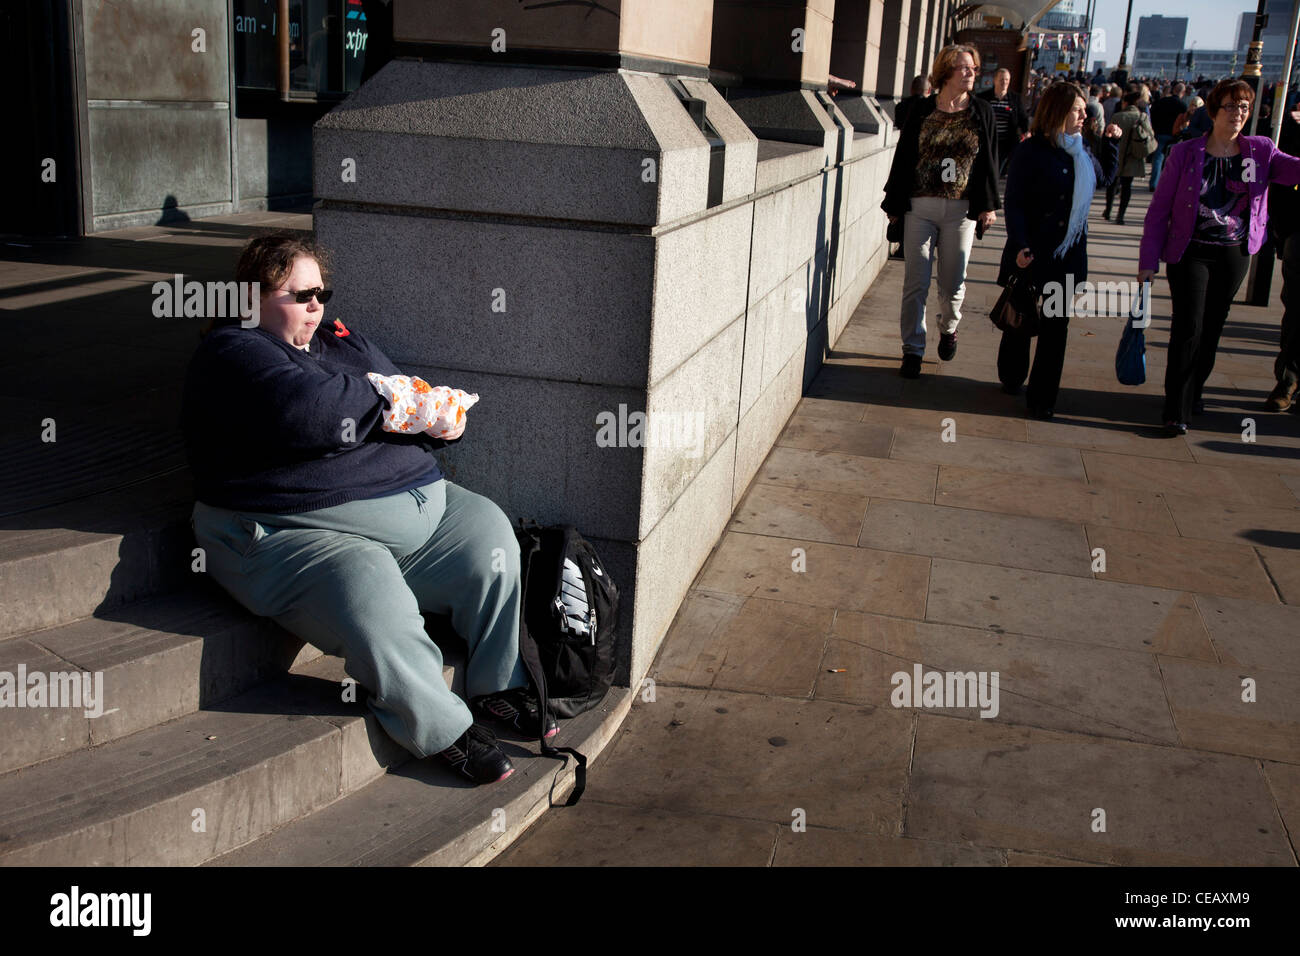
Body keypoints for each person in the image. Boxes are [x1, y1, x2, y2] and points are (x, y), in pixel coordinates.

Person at [182, 234, 555, 786]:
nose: (316, 306)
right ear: (248, 299)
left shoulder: (337, 340)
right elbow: (311, 412)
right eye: (298, 294)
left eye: (322, 293)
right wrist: (389, 406)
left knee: (488, 534)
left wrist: (426, 412)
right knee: (368, 590)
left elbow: (400, 389)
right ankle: (441, 727)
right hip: (297, 531)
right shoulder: (234, 352)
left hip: (418, 511)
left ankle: (499, 684)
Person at [1138, 79, 1300, 435]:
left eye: (1244, 107)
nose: (1238, 113)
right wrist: (1148, 261)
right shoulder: (1186, 153)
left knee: (1211, 330)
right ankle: (1176, 409)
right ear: (1214, 110)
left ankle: (1193, 391)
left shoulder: (1260, 151)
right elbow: (1158, 209)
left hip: (1234, 253)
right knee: (1188, 327)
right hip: (1190, 251)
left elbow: (1296, 170)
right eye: (1231, 106)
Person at [996, 82, 1122, 419]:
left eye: (1084, 110)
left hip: (1067, 258)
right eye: (1077, 110)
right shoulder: (1031, 150)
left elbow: (1106, 178)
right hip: (1032, 253)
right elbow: (1015, 203)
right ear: (1057, 111)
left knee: (1055, 328)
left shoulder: (1083, 151)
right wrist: (1021, 244)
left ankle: (1042, 399)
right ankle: (1011, 375)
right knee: (1021, 319)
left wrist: (1111, 144)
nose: (1085, 116)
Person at [882, 44, 1001, 378]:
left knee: (952, 283)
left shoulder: (981, 111)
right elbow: (904, 157)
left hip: (961, 210)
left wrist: (988, 205)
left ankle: (948, 328)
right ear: (947, 70)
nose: (971, 74)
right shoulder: (921, 110)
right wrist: (895, 205)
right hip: (920, 206)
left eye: (974, 69)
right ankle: (913, 350)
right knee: (915, 281)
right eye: (965, 68)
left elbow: (989, 160)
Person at [1266, 101, 1300, 411]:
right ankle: (1288, 379)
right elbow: (1279, 177)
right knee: (1296, 313)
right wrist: (1283, 231)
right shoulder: (1294, 126)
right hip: (1299, 233)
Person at [1104, 90, 1155, 225]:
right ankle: (1120, 215)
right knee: (1127, 186)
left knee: (1112, 184)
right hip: (1133, 155)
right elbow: (1149, 134)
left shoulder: (1117, 116)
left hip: (1117, 154)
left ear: (1125, 103)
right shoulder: (1142, 117)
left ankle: (1108, 210)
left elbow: (1108, 133)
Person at [979, 67, 1030, 177]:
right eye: (1001, 79)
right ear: (995, 80)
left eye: (1006, 80)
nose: (1004, 82)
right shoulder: (984, 98)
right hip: (989, 139)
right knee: (988, 166)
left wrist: (1026, 131)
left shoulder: (1014, 99)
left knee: (1001, 168)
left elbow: (1023, 118)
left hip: (1008, 141)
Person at [1150, 82, 1187, 190]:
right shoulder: (1182, 105)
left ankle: (1154, 183)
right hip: (1173, 135)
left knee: (1157, 158)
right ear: (1183, 92)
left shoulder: (1162, 101)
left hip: (1159, 132)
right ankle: (1165, 183)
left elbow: (1153, 114)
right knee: (1170, 160)